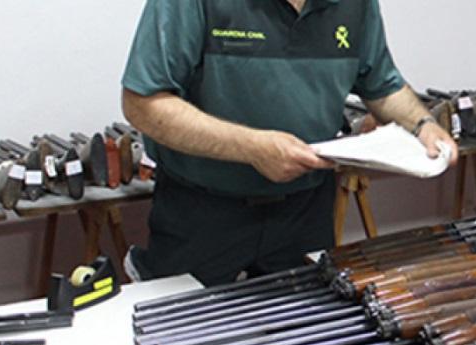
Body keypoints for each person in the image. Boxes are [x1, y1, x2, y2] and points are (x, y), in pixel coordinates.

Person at [120, 0, 457, 286]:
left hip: (305, 213)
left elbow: (382, 85)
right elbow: (143, 103)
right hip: (201, 215)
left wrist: (422, 123)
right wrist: (252, 147)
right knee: (181, 344)